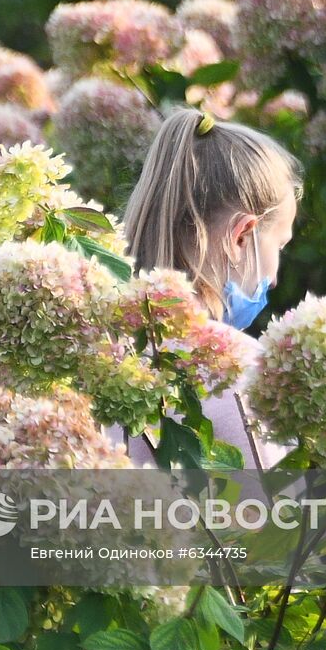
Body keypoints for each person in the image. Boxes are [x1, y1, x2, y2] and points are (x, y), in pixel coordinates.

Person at [122, 106, 302, 468]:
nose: (276, 277)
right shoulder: (239, 369)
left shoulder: (99, 350)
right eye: (279, 247)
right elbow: (278, 516)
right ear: (242, 235)